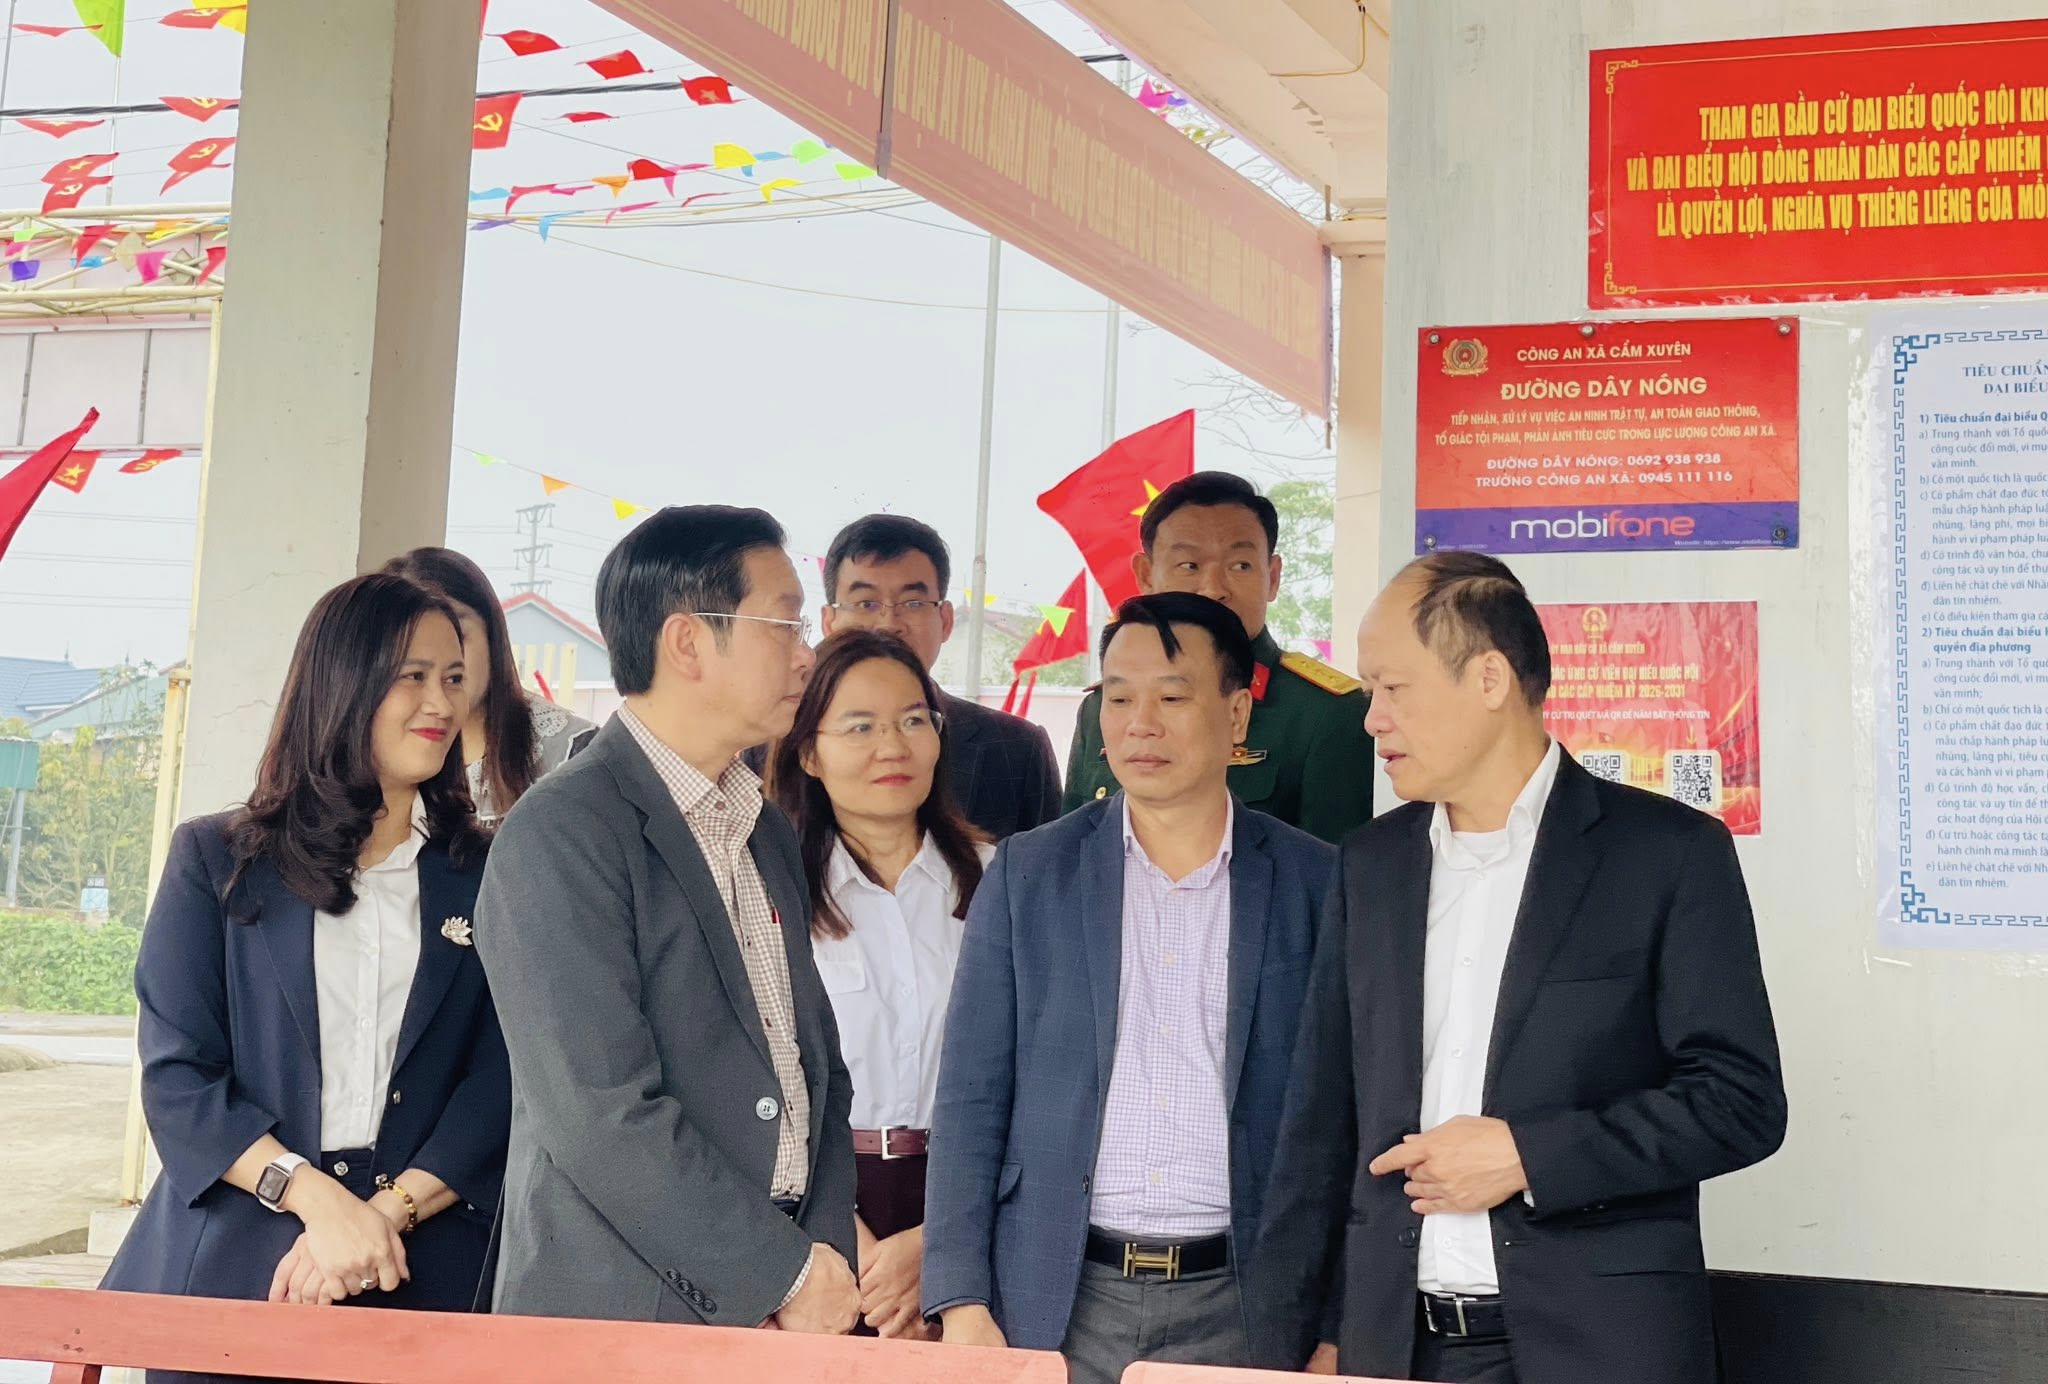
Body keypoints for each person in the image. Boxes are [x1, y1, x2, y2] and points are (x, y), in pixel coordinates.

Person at [1252, 553, 1787, 1384]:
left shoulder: (1665, 854)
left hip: (1601, 1349)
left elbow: (1739, 1101)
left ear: (1490, 678)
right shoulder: (1369, 866)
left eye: (1393, 688)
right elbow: (1322, 1124)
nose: (1372, 719)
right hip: (1395, 1348)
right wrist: (1310, 1335)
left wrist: (1529, 1156)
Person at [100, 573, 509, 1379]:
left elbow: (502, 1081)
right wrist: (318, 1204)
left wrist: (379, 1216)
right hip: (237, 1265)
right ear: (343, 683)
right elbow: (180, 1079)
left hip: (424, 1267)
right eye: (413, 676)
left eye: (455, 677)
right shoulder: (216, 861)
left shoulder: (490, 874)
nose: (441, 702)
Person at [922, 591, 1337, 1384]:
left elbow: (1344, 1117)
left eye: (1172, 698)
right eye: (1118, 698)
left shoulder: (1316, 883)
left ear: (1238, 714)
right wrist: (962, 1297)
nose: (1140, 724)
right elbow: (972, 1095)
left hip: (1248, 1303)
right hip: (1055, 1297)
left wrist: (1336, 1323)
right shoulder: (1030, 874)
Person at [474, 505, 860, 1333]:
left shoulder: (763, 827)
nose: (807, 653)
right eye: (784, 624)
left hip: (784, 1309)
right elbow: (600, 1115)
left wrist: (820, 1265)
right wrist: (781, 1276)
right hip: (626, 1314)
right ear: (687, 643)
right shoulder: (564, 831)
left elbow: (815, 1070)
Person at [765, 629, 995, 1340]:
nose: (892, 746)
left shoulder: (1000, 881)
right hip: (816, 1209)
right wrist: (858, 1251)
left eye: (913, 720)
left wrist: (936, 1247)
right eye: (860, 726)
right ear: (809, 752)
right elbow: (756, 1080)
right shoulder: (772, 892)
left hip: (968, 1202)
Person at [1063, 471, 1374, 843]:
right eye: (1189, 566)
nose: (1213, 590)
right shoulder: (1102, 707)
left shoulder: (1328, 713)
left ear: (1273, 577)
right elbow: (1071, 848)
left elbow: (1334, 869)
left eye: (1239, 566)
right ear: (1146, 576)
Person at [818, 514, 1061, 839]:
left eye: (913, 603)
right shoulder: (772, 746)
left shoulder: (1017, 749)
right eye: (866, 603)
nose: (889, 624)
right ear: (829, 622)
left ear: (945, 620)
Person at [382, 548, 596, 824]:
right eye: (410, 646)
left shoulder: (573, 755)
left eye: (454, 634)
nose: (438, 660)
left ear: (492, 635)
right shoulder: (374, 756)